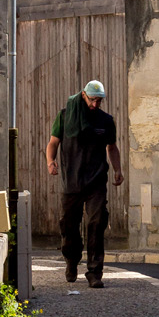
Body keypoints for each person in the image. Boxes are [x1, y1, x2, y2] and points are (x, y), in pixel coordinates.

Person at [46, 80, 124, 288]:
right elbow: (53, 143)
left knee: (97, 224)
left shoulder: (106, 121)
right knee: (68, 225)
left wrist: (117, 169)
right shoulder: (65, 116)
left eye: (99, 101)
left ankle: (94, 272)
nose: (95, 104)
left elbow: (112, 147)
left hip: (96, 181)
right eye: (92, 100)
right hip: (71, 181)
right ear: (83, 95)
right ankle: (71, 261)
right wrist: (50, 161)